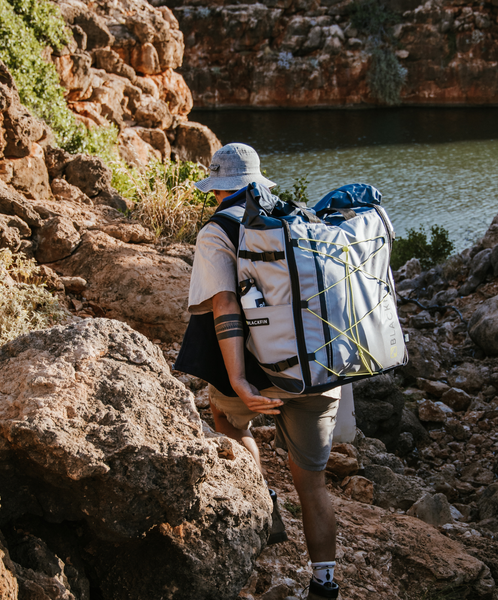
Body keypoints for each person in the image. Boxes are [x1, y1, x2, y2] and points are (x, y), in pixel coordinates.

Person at [181, 143, 341, 600]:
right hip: (315, 369)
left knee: (228, 417)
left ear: (217, 189)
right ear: (256, 182)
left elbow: (224, 305)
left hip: (260, 370)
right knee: (311, 481)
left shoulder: (217, 230)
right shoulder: (300, 216)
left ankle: (260, 502)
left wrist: (238, 380)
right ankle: (325, 583)